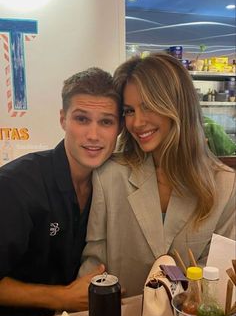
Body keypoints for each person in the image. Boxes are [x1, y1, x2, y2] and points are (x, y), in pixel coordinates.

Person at [79, 53, 236, 297]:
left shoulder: (226, 185)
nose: (138, 122)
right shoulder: (110, 176)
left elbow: (221, 277)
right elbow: (93, 264)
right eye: (129, 111)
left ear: (177, 106)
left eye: (149, 106)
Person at [0, 67, 121, 316]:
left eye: (106, 122)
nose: (93, 135)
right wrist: (62, 297)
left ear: (119, 128)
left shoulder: (111, 184)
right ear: (63, 119)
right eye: (82, 119)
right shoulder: (16, 186)